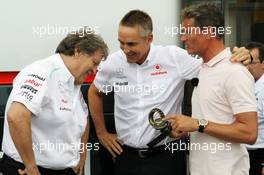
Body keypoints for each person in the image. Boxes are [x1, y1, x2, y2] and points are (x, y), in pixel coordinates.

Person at [88, 9, 252, 175]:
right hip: (126, 157)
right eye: (121, 42)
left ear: (149, 38)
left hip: (166, 157)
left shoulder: (174, 58)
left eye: (131, 44)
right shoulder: (114, 62)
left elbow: (214, 65)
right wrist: (102, 133)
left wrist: (244, 55)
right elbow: (94, 92)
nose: (125, 49)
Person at [0, 29, 108, 175]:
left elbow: (83, 118)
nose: (95, 71)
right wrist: (31, 167)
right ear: (78, 52)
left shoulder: (73, 81)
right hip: (29, 170)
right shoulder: (41, 72)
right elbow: (16, 116)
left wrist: (81, 154)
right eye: (94, 63)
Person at [166, 3, 258, 175]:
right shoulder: (202, 68)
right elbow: (211, 121)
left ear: (208, 32)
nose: (183, 38)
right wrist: (184, 129)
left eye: (187, 31)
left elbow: (249, 133)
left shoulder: (235, 71)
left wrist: (198, 124)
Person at [246, 41, 264, 175]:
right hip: (242, 153)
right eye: (244, 62)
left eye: (252, 62)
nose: (247, 66)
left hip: (260, 154)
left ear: (263, 64)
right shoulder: (245, 84)